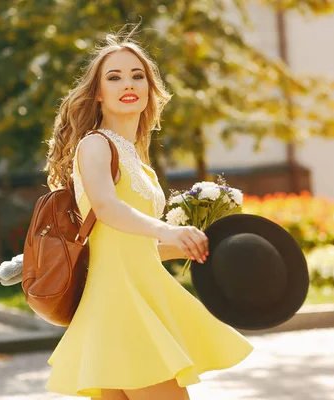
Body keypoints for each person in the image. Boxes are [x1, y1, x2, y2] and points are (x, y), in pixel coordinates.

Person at [36, 26, 253, 399]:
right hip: (121, 304)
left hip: (136, 298)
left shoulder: (138, 159)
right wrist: (166, 230)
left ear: (150, 89)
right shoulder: (96, 145)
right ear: (98, 94)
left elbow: (132, 244)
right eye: (114, 77)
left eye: (138, 75)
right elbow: (106, 208)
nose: (127, 83)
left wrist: (188, 243)